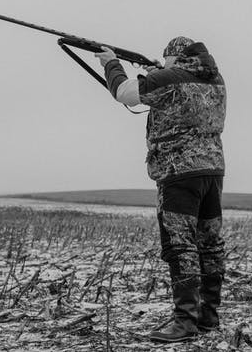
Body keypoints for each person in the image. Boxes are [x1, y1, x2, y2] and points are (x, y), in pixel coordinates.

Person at [95, 36, 227, 343]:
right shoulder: (215, 78)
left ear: (172, 57)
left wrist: (110, 63)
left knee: (180, 246)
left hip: (178, 172)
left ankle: (184, 322)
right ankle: (208, 318)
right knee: (209, 244)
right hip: (212, 171)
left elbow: (124, 93)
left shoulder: (170, 77)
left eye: (164, 59)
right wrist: (153, 70)